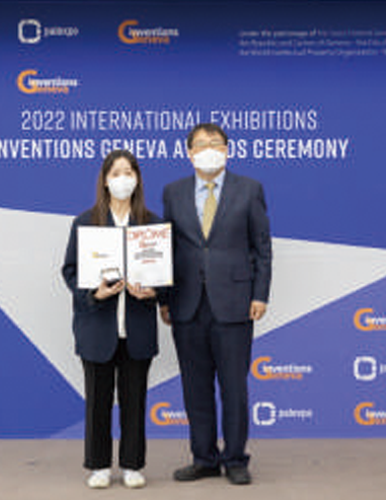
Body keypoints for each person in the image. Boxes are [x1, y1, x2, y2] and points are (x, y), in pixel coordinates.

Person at [161, 123, 272, 485]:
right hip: (186, 304)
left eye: (215, 143)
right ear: (189, 153)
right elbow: (166, 251)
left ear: (226, 149)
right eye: (200, 144)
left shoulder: (250, 189)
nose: (208, 149)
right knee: (195, 388)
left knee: (234, 387)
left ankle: (236, 458)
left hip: (235, 302)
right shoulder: (173, 192)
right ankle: (204, 458)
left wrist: (260, 294)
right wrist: (164, 298)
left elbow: (262, 247)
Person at [62, 149, 161, 489]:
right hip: (97, 327)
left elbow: (166, 276)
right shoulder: (85, 222)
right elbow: (70, 270)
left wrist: (153, 292)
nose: (123, 179)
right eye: (116, 173)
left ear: (138, 179)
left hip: (137, 328)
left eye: (129, 172)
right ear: (105, 180)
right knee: (97, 401)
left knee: (135, 401)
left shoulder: (152, 224)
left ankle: (132, 464)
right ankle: (99, 465)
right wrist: (94, 294)